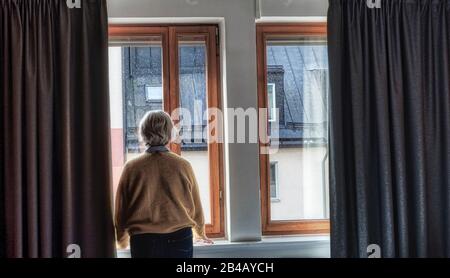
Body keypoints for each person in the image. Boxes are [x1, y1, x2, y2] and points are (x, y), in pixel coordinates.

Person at [114, 110, 213, 258]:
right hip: (180, 238)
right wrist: (200, 233)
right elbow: (195, 205)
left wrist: (121, 240)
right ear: (169, 133)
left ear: (143, 132)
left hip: (143, 241)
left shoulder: (132, 167)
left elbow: (121, 210)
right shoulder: (183, 165)